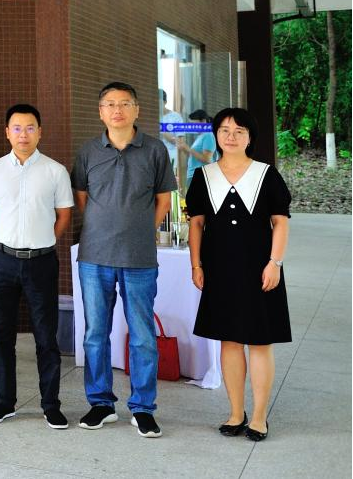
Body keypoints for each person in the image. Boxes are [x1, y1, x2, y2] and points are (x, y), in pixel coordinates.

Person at [71, 82, 176, 437]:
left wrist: (141, 230)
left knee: (143, 335)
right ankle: (101, 403)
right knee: (95, 334)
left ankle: (143, 407)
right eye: (110, 104)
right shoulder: (88, 151)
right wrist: (104, 226)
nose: (117, 110)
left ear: (137, 110)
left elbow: (163, 200)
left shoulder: (155, 150)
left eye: (124, 103)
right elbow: (82, 197)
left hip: (139, 257)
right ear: (101, 111)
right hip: (94, 257)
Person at [187, 107, 292, 442]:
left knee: (260, 341)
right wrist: (196, 264)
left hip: (260, 268)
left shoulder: (266, 174)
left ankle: (259, 416)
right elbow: (196, 224)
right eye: (224, 130)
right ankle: (236, 412)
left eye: (239, 131)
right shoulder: (204, 176)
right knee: (229, 340)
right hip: (219, 269)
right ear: (216, 135)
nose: (231, 137)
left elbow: (280, 221)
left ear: (250, 137)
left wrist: (275, 263)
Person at [0, 104, 73, 429]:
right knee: (2, 336)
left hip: (41, 262)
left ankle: (51, 405)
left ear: (40, 132)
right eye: (17, 128)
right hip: (1, 261)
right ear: (7, 132)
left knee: (46, 337)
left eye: (30, 128)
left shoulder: (55, 171)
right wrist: (5, 238)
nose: (23, 134)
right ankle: (4, 402)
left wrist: (43, 239)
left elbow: (64, 215)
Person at [178, 109, 217, 191]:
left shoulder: (208, 135)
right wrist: (185, 149)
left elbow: (207, 158)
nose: (193, 127)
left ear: (203, 121)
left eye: (194, 124)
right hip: (194, 175)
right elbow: (195, 157)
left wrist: (188, 149)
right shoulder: (201, 136)